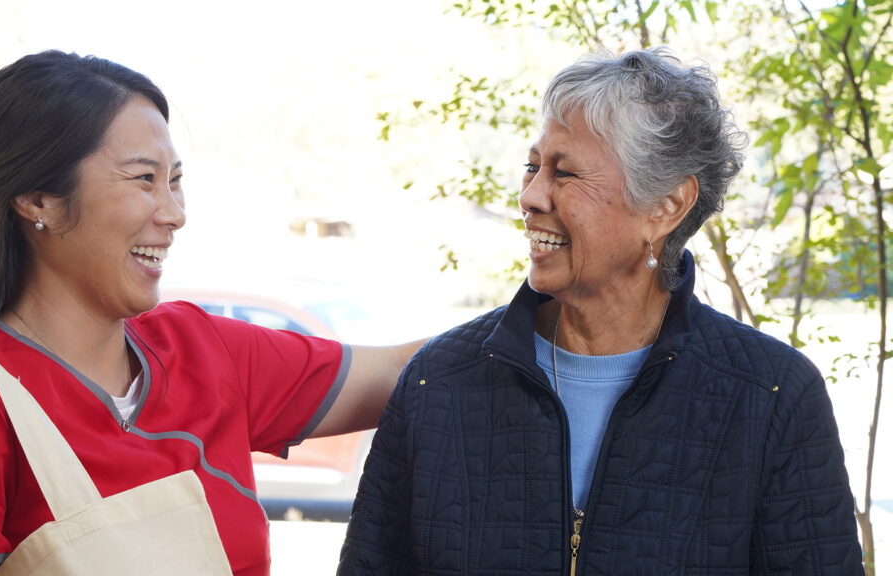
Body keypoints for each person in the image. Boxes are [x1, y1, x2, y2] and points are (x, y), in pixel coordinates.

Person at [0, 50, 423, 576]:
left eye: (175, 181)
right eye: (144, 179)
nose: (175, 213)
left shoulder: (205, 350)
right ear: (38, 200)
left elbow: (411, 371)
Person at [338, 47, 865, 575]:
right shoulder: (438, 382)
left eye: (565, 173)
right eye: (532, 167)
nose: (531, 196)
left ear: (667, 206)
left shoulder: (770, 395)